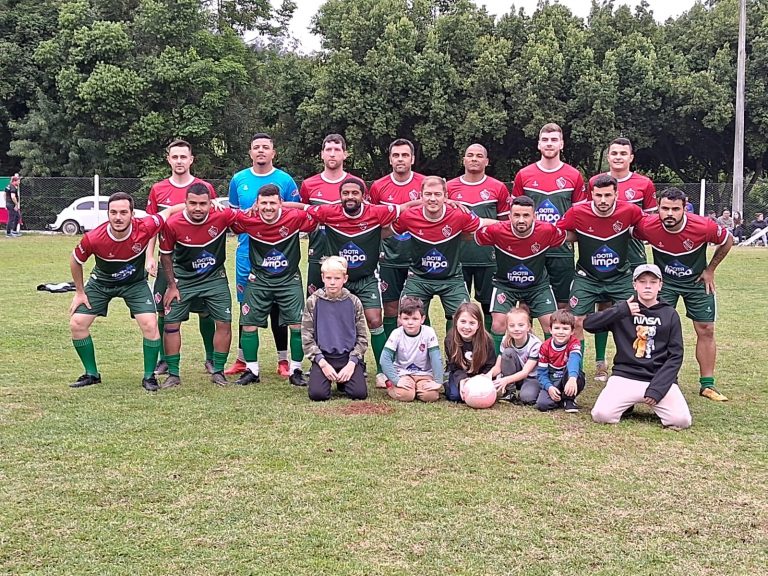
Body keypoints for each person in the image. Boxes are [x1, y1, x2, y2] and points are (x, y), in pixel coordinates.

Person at [301, 177, 413, 385]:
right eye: (345, 193)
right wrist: (278, 205)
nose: (350, 197)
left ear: (364, 196)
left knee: (374, 320)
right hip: (338, 279)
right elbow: (303, 208)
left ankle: (383, 371)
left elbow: (405, 208)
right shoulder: (329, 212)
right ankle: (325, 364)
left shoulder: (376, 212)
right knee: (330, 323)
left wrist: (440, 202)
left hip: (366, 278)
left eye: (355, 193)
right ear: (340, 196)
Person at [68, 192, 184, 391]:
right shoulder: (94, 238)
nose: (118, 217)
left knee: (150, 324)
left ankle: (149, 377)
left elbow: (171, 210)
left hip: (135, 284)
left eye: (123, 212)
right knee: (77, 323)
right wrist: (80, 292)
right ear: (108, 214)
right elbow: (75, 260)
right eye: (113, 212)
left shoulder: (146, 226)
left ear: (132, 214)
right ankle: (91, 374)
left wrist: (211, 204)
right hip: (101, 283)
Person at [633, 187, 733, 402]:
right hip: (665, 284)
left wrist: (710, 269)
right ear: (658, 207)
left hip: (697, 283)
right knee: (657, 329)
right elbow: (628, 235)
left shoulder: (703, 226)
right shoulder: (648, 225)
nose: (669, 213)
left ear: (685, 208)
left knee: (706, 329)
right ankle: (663, 379)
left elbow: (727, 240)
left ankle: (707, 385)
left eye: (675, 209)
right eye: (665, 208)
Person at [225, 132, 299, 377]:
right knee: (246, 306)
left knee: (279, 305)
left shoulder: (285, 180)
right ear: (250, 152)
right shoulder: (239, 179)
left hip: (278, 253)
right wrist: (250, 211)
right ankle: (242, 359)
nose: (261, 151)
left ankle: (283, 360)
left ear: (273, 152)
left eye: (265, 147)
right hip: (247, 253)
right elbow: (234, 216)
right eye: (256, 147)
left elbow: (293, 211)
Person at [228, 185, 318, 386]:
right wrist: (245, 210)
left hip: (289, 279)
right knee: (248, 324)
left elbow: (316, 214)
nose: (268, 207)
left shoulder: (294, 217)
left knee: (297, 324)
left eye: (272, 203)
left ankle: (295, 370)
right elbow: (229, 219)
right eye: (264, 203)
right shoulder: (248, 219)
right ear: (257, 204)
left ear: (280, 203)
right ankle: (252, 370)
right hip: (259, 279)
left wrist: (296, 205)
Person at [585, 264, 692, 429]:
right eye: (642, 281)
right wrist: (620, 311)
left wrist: (658, 389)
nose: (647, 286)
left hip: (657, 377)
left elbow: (675, 356)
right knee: (601, 415)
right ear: (634, 285)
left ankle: (649, 401)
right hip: (625, 375)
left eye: (653, 282)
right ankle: (626, 404)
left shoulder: (670, 314)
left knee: (681, 421)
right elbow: (589, 324)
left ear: (660, 285)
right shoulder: (623, 310)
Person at [145, 140, 217, 376]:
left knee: (206, 311)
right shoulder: (158, 189)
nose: (179, 161)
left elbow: (214, 221)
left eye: (183, 157)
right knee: (164, 309)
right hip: (169, 259)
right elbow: (153, 226)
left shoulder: (204, 187)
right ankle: (165, 360)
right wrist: (149, 256)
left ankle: (210, 358)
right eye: (175, 157)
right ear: (168, 159)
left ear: (191, 159)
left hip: (199, 260)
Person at [587, 137, 657, 381]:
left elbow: (649, 221)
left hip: (633, 254)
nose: (618, 157)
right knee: (604, 307)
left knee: (632, 309)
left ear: (631, 157)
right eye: (614, 153)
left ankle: (631, 361)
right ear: (608, 156)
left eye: (623, 153)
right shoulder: (596, 182)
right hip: (602, 254)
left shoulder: (644, 184)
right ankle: (600, 362)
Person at [557, 174, 644, 367]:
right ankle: (576, 372)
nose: (603, 200)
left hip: (620, 277)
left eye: (607, 195)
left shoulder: (630, 210)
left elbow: (650, 228)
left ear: (616, 194)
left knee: (634, 320)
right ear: (591, 195)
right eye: (598, 195)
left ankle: (631, 369)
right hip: (587, 277)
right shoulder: (577, 212)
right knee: (576, 320)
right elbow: (557, 232)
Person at [158, 183, 239, 388]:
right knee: (171, 324)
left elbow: (250, 219)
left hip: (214, 278)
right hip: (183, 279)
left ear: (211, 203)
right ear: (185, 203)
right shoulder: (173, 223)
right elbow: (165, 255)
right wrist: (172, 285)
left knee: (224, 322)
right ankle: (173, 373)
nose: (197, 208)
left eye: (203, 204)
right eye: (192, 203)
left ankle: (218, 371)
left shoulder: (222, 216)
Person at [393, 176, 492, 332]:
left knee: (465, 319)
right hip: (419, 278)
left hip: (452, 278)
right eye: (428, 194)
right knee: (405, 319)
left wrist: (511, 225)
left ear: (445, 196)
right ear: (421, 196)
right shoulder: (409, 216)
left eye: (437, 194)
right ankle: (423, 344)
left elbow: (484, 223)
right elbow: (385, 230)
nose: (432, 199)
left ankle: (453, 348)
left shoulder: (459, 215)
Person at [474, 195, 566, 352]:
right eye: (516, 215)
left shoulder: (547, 230)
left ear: (534, 216)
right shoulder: (497, 230)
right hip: (505, 285)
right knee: (498, 323)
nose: (521, 220)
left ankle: (551, 361)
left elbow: (570, 236)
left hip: (538, 286)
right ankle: (495, 362)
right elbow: (471, 233)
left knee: (551, 322)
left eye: (526, 215)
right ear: (509, 216)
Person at [511, 123, 587, 310]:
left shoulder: (574, 176)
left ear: (562, 144)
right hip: (530, 249)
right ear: (539, 144)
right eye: (545, 140)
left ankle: (559, 332)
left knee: (563, 304)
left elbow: (581, 217)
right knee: (525, 303)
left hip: (561, 249)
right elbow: (514, 215)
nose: (549, 143)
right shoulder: (524, 175)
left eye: (554, 140)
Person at [447, 143, 511, 331]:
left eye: (479, 156)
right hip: (457, 259)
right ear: (463, 160)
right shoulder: (449, 187)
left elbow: (505, 225)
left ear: (487, 161)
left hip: (489, 258)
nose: (474, 159)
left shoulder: (498, 187)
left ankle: (488, 347)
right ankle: (454, 348)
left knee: (491, 309)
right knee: (456, 311)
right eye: (470, 155)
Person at [368, 138, 425, 340]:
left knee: (416, 309)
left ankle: (419, 352)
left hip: (418, 257)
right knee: (391, 308)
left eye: (405, 155)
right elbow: (373, 219)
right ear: (390, 159)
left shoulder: (424, 183)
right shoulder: (378, 186)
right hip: (388, 257)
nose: (400, 159)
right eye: (396, 155)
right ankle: (392, 351)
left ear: (412, 159)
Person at [302, 256, 369, 402]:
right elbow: (307, 337)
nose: (332, 282)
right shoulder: (313, 301)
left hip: (347, 357)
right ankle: (322, 375)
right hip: (324, 357)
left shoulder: (354, 302)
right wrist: (322, 363)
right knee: (317, 395)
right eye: (329, 278)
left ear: (345, 279)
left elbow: (363, 338)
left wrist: (352, 363)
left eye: (337, 278)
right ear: (322, 278)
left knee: (359, 393)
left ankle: (343, 380)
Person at [299, 134, 352, 296]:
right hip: (317, 254)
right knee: (315, 303)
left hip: (347, 255)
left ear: (345, 154)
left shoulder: (354, 185)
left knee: (348, 304)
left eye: (337, 149)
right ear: (322, 154)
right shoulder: (308, 184)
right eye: (328, 150)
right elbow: (303, 217)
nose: (332, 154)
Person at [379, 296, 443, 403]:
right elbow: (384, 359)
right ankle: (391, 385)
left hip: (424, 374)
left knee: (430, 396)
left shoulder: (429, 332)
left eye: (415, 319)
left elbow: (436, 357)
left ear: (422, 319)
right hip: (403, 373)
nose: (410, 322)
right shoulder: (396, 333)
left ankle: (417, 387)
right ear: (400, 318)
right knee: (406, 395)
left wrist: (438, 381)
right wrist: (396, 380)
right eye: (406, 318)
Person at [444, 302, 497, 403]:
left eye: (472, 323)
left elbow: (490, 365)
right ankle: (447, 383)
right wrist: (462, 380)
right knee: (455, 396)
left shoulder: (487, 340)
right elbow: (453, 366)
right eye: (463, 321)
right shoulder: (450, 339)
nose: (467, 327)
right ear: (456, 321)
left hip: (480, 375)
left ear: (478, 325)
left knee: (483, 394)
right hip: (459, 373)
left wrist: (481, 378)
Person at [488, 306, 541, 405]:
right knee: (508, 352)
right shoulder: (505, 340)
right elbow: (498, 367)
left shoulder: (535, 344)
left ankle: (531, 389)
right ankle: (510, 391)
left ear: (528, 327)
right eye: (512, 326)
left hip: (531, 377)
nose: (516, 329)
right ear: (507, 328)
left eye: (521, 325)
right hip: (514, 376)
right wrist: (488, 375)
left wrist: (505, 380)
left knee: (527, 398)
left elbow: (525, 372)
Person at [535, 309, 585, 413]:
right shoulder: (545, 347)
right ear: (550, 330)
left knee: (576, 374)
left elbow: (574, 360)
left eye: (565, 328)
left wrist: (572, 378)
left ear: (572, 331)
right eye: (557, 328)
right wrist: (549, 387)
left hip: (569, 377)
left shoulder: (574, 343)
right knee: (542, 404)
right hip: (553, 380)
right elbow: (541, 373)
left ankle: (569, 399)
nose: (561, 332)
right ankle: (561, 398)